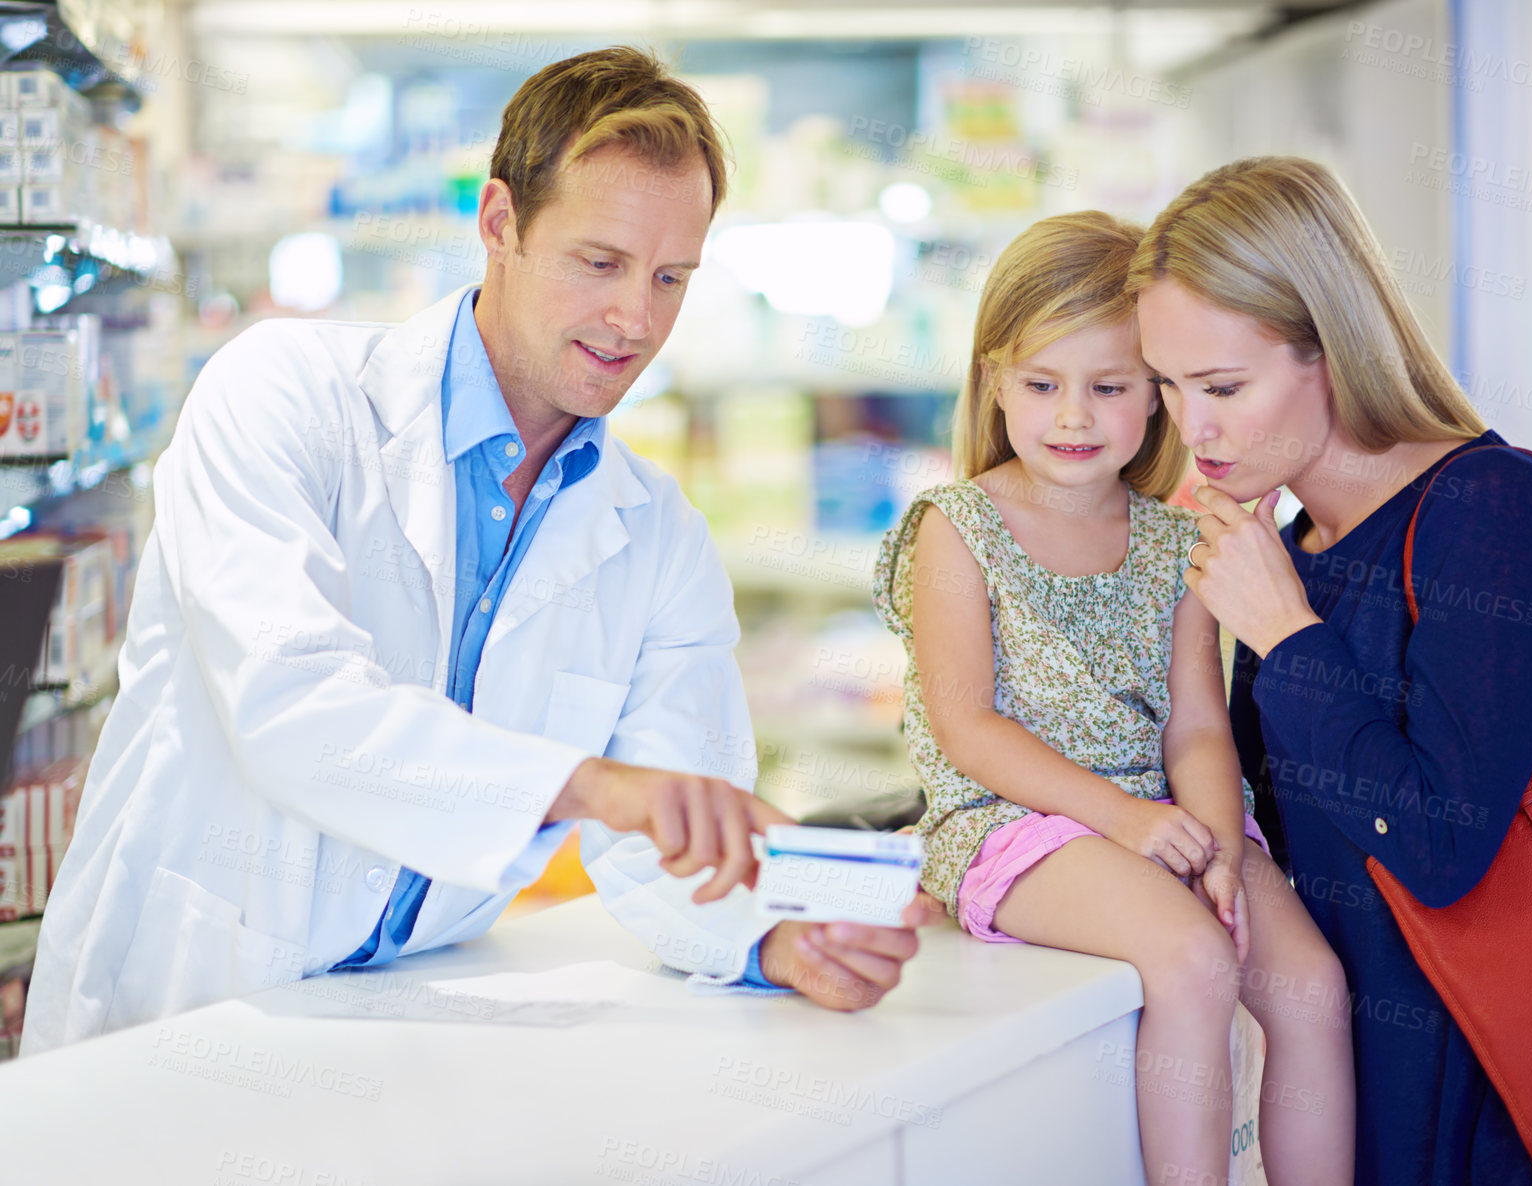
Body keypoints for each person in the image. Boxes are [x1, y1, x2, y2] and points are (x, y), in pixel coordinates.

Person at [22, 47, 937, 1055]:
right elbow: (293, 709)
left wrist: (775, 938)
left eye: (670, 277)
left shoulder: (658, 535)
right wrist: (587, 784)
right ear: (499, 222)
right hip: (185, 1003)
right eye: (600, 263)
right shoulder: (281, 395)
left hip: (404, 1026)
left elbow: (675, 837)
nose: (637, 320)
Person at [1127, 156, 1532, 1186]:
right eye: (1167, 388)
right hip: (1360, 1077)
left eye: (1222, 387)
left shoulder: (1489, 508)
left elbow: (1438, 847)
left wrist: (1287, 633)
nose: (1194, 430)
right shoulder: (1293, 541)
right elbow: (1267, 822)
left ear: (1331, 349)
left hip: (1494, 1096)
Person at [873, 211, 1355, 1186]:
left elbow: (1195, 727)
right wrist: (1129, 823)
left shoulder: (1176, 545)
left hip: (1164, 818)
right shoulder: (954, 528)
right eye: (1042, 385)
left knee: (1309, 984)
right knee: (1189, 958)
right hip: (1012, 820)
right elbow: (966, 726)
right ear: (993, 382)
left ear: (1158, 398)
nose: (1072, 418)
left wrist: (1215, 845)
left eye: (1109, 388)